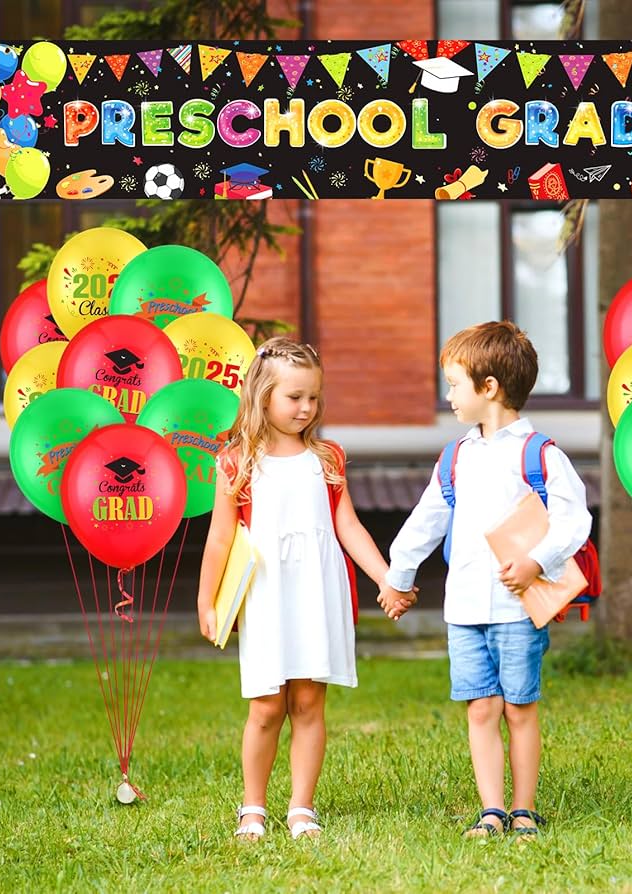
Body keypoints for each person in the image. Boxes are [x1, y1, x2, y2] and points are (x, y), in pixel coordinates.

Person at [378, 321, 592, 841]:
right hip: (465, 611)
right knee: (480, 707)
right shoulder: (456, 457)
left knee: (519, 708)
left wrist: (537, 561)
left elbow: (574, 519)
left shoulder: (540, 455)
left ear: (488, 387)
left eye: (454, 384)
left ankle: (524, 811)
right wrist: (397, 578)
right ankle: (492, 811)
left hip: (518, 609)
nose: (448, 395)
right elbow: (426, 521)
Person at [197, 338, 394, 842]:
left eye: (313, 398)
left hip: (316, 590)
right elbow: (221, 536)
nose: (306, 408)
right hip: (265, 594)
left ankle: (302, 807)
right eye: (294, 398)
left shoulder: (327, 457)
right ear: (263, 396)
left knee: (309, 702)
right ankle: (253, 807)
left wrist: (384, 575)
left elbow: (347, 525)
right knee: (265, 706)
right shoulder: (237, 461)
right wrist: (207, 599)